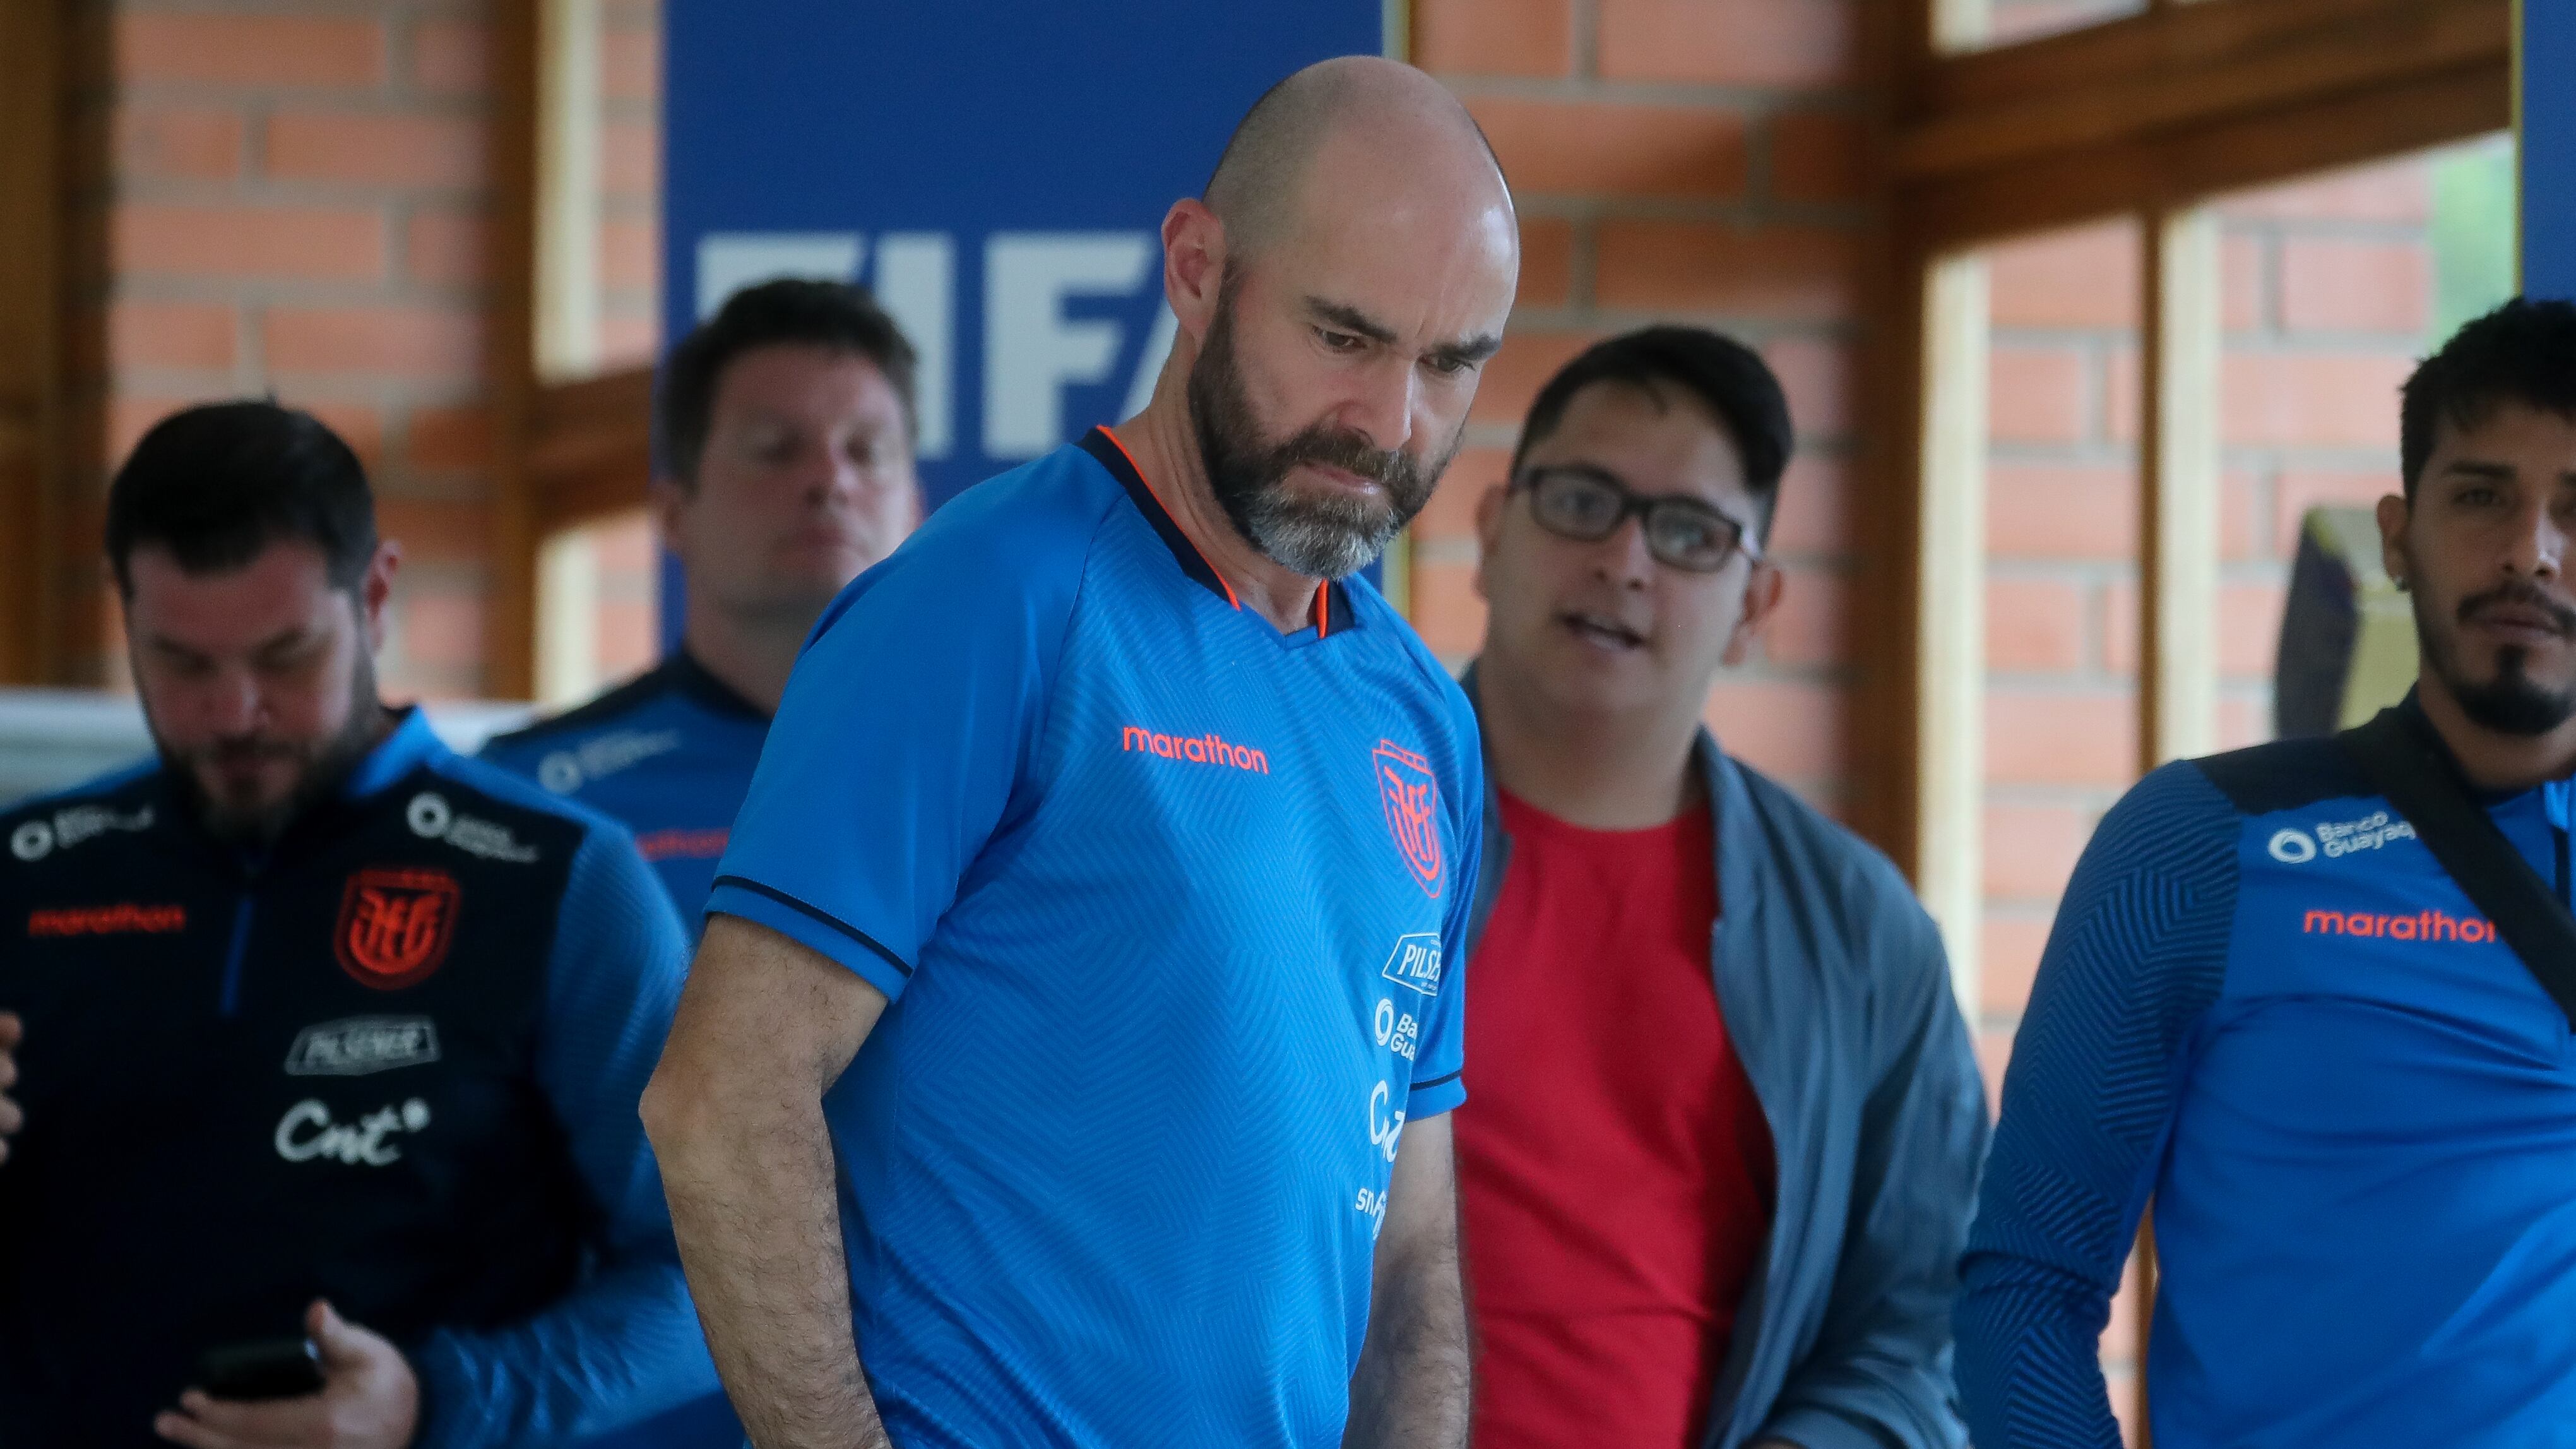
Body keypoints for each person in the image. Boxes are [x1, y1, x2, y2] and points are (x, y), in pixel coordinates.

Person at [639, 56, 1512, 1449]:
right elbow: (722, 1094)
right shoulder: (990, 597)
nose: (1392, 421)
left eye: (1451, 361)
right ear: (1196, 269)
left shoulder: (1422, 714)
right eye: (1344, 337)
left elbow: (1407, 1248)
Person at [0, 402, 716, 1448]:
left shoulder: (561, 883)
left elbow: (712, 1275)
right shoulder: (25, 872)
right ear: (126, 614)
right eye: (183, 664)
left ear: (375, 597)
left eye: (286, 656)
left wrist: (439, 1402)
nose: (236, 711)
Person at [1957, 297, 2576, 1446]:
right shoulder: (2198, 842)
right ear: (2397, 536)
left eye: (2574, 509)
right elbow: (2023, 1294)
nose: (2529, 548)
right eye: (2482, 495)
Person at [1457, 326, 1986, 1449]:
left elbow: (1919, 1331)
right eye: (1582, 502)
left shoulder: (1857, 933)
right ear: (1494, 528)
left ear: (1755, 606)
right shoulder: (1329, 840)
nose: (1625, 560)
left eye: (1690, 533)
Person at [482, 278, 921, 926]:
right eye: (774, 449)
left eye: (867, 452)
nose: (831, 480)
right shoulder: (522, 799)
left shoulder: (1027, 780)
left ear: (917, 510)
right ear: (673, 513)